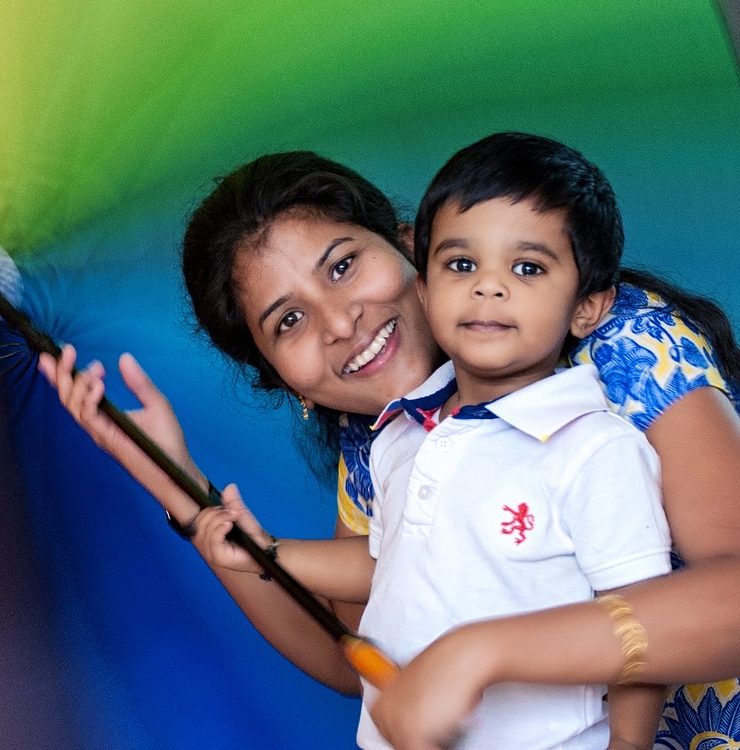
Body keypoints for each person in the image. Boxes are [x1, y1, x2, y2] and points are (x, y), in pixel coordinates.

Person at [39, 133, 740, 748]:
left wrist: (483, 654)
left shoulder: (616, 343)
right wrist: (182, 491)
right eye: (288, 321)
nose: (340, 322)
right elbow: (357, 655)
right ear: (288, 383)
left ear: (412, 247)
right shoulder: (383, 442)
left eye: (342, 265)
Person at [193, 130, 672, 747]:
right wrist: (266, 552)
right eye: (464, 265)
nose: (488, 288)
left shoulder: (597, 446)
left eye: (526, 268)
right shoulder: (398, 437)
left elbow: (646, 628)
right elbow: (386, 560)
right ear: (430, 280)